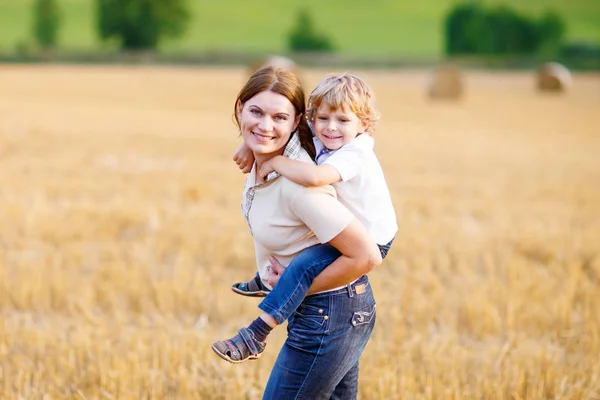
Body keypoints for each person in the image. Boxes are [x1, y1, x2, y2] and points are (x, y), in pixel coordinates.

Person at [212, 66, 384, 399]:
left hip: (330, 312)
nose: (265, 125)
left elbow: (367, 255)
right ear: (239, 110)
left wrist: (296, 289)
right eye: (256, 112)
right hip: (334, 310)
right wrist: (253, 146)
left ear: (294, 122)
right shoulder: (268, 158)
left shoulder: (300, 186)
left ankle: (256, 332)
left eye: (279, 117)